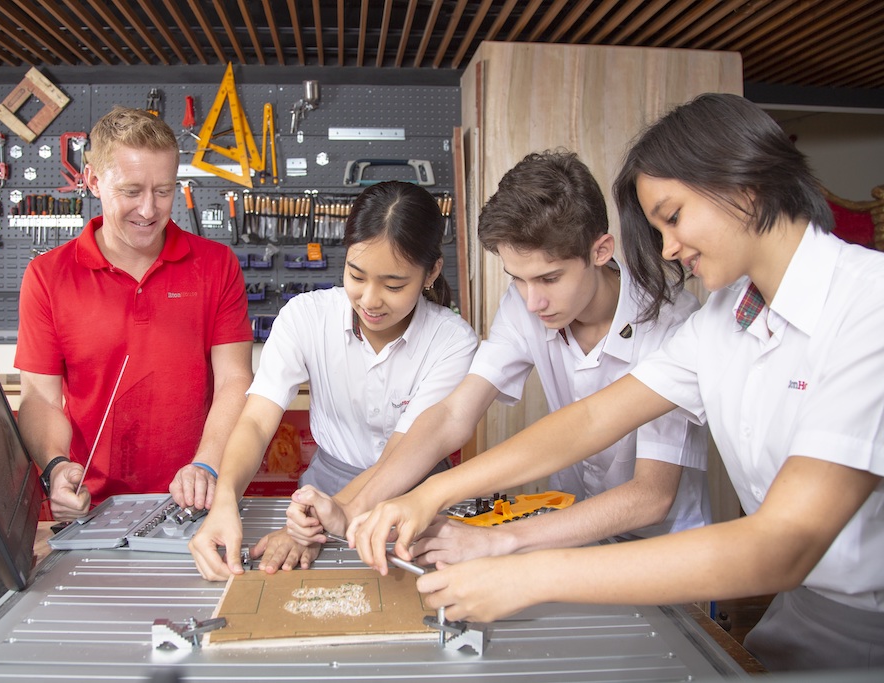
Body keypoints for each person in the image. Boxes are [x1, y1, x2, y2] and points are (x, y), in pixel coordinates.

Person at [350, 93, 884, 672]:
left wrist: (526, 568)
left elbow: (783, 542)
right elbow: (592, 420)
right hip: (797, 610)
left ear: (744, 185)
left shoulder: (867, 307)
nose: (669, 248)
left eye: (673, 217)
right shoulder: (724, 319)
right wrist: (428, 494)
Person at [287, 150, 710, 563]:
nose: (532, 302)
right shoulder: (527, 299)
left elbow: (650, 496)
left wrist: (495, 537)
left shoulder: (671, 323)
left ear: (600, 251)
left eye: (550, 278)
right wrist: (356, 506)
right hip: (570, 530)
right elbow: (454, 415)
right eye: (518, 280)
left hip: (664, 545)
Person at [189, 181, 478, 580]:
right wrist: (225, 499)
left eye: (394, 285)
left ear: (431, 273)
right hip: (324, 489)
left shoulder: (452, 342)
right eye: (356, 276)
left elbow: (403, 455)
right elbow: (256, 421)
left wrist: (321, 521)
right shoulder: (305, 317)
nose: (370, 300)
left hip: (415, 499)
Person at [15, 105, 254, 522]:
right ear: (92, 181)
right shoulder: (47, 276)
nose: (149, 210)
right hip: (92, 506)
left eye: (163, 191)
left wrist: (208, 464)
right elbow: (40, 397)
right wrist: (55, 468)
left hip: (196, 499)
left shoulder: (217, 265)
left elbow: (235, 378)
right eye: (131, 191)